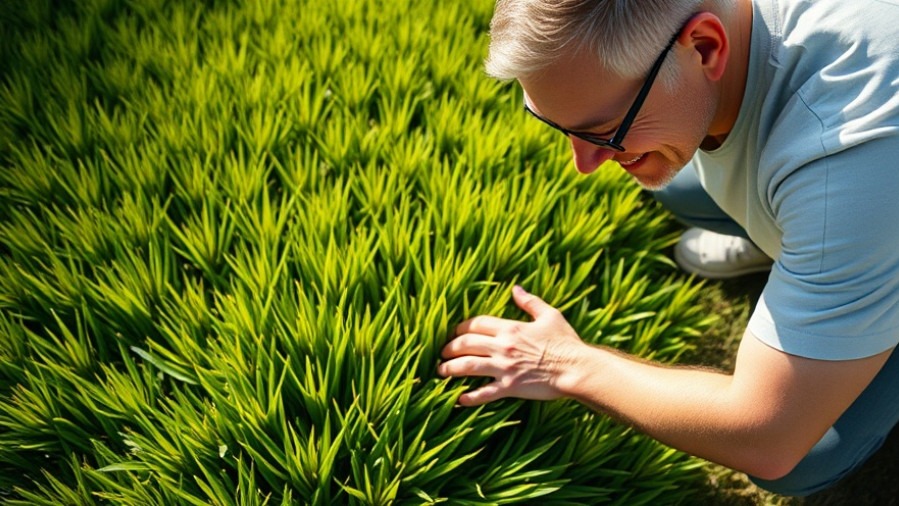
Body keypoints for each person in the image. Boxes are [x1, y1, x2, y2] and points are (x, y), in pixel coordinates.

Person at [438, 0, 899, 497]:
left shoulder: (849, 164)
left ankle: (843, 271)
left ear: (704, 46)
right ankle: (815, 262)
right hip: (853, 214)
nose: (585, 162)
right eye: (560, 127)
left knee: (803, 453)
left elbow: (764, 433)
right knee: (673, 182)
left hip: (865, 205)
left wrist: (564, 362)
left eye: (604, 130)